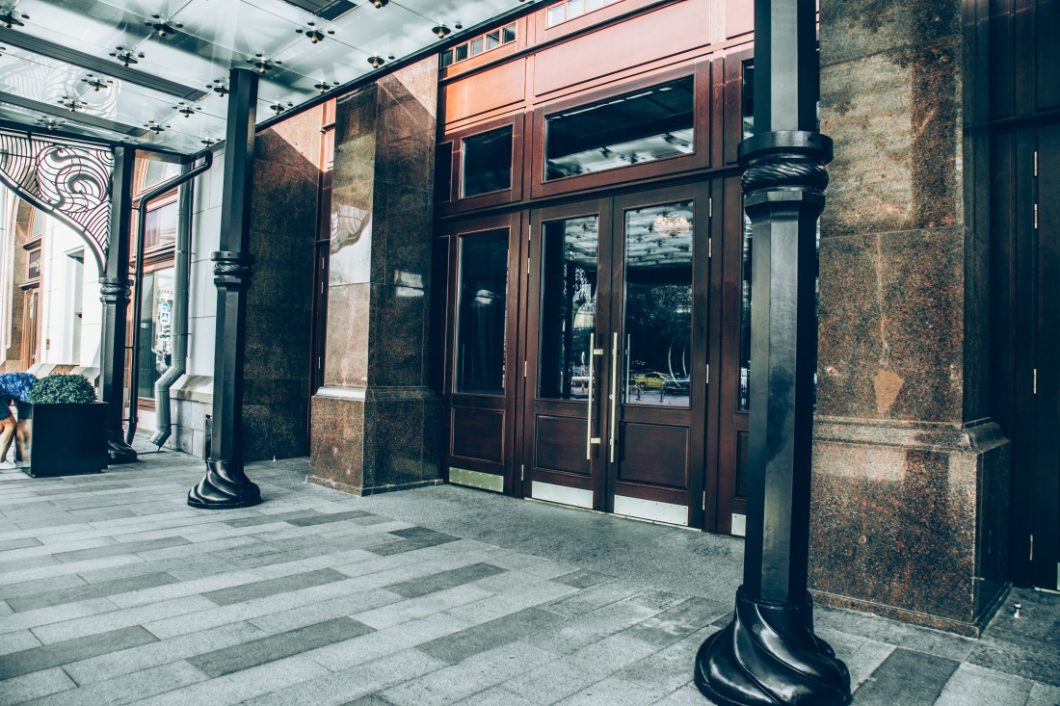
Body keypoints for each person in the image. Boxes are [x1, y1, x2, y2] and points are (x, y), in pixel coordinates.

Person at [0, 372, 36, 469]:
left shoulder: (26, 380)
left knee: (2, 425)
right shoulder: (30, 387)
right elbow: (26, 410)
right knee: (10, 425)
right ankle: (1, 460)